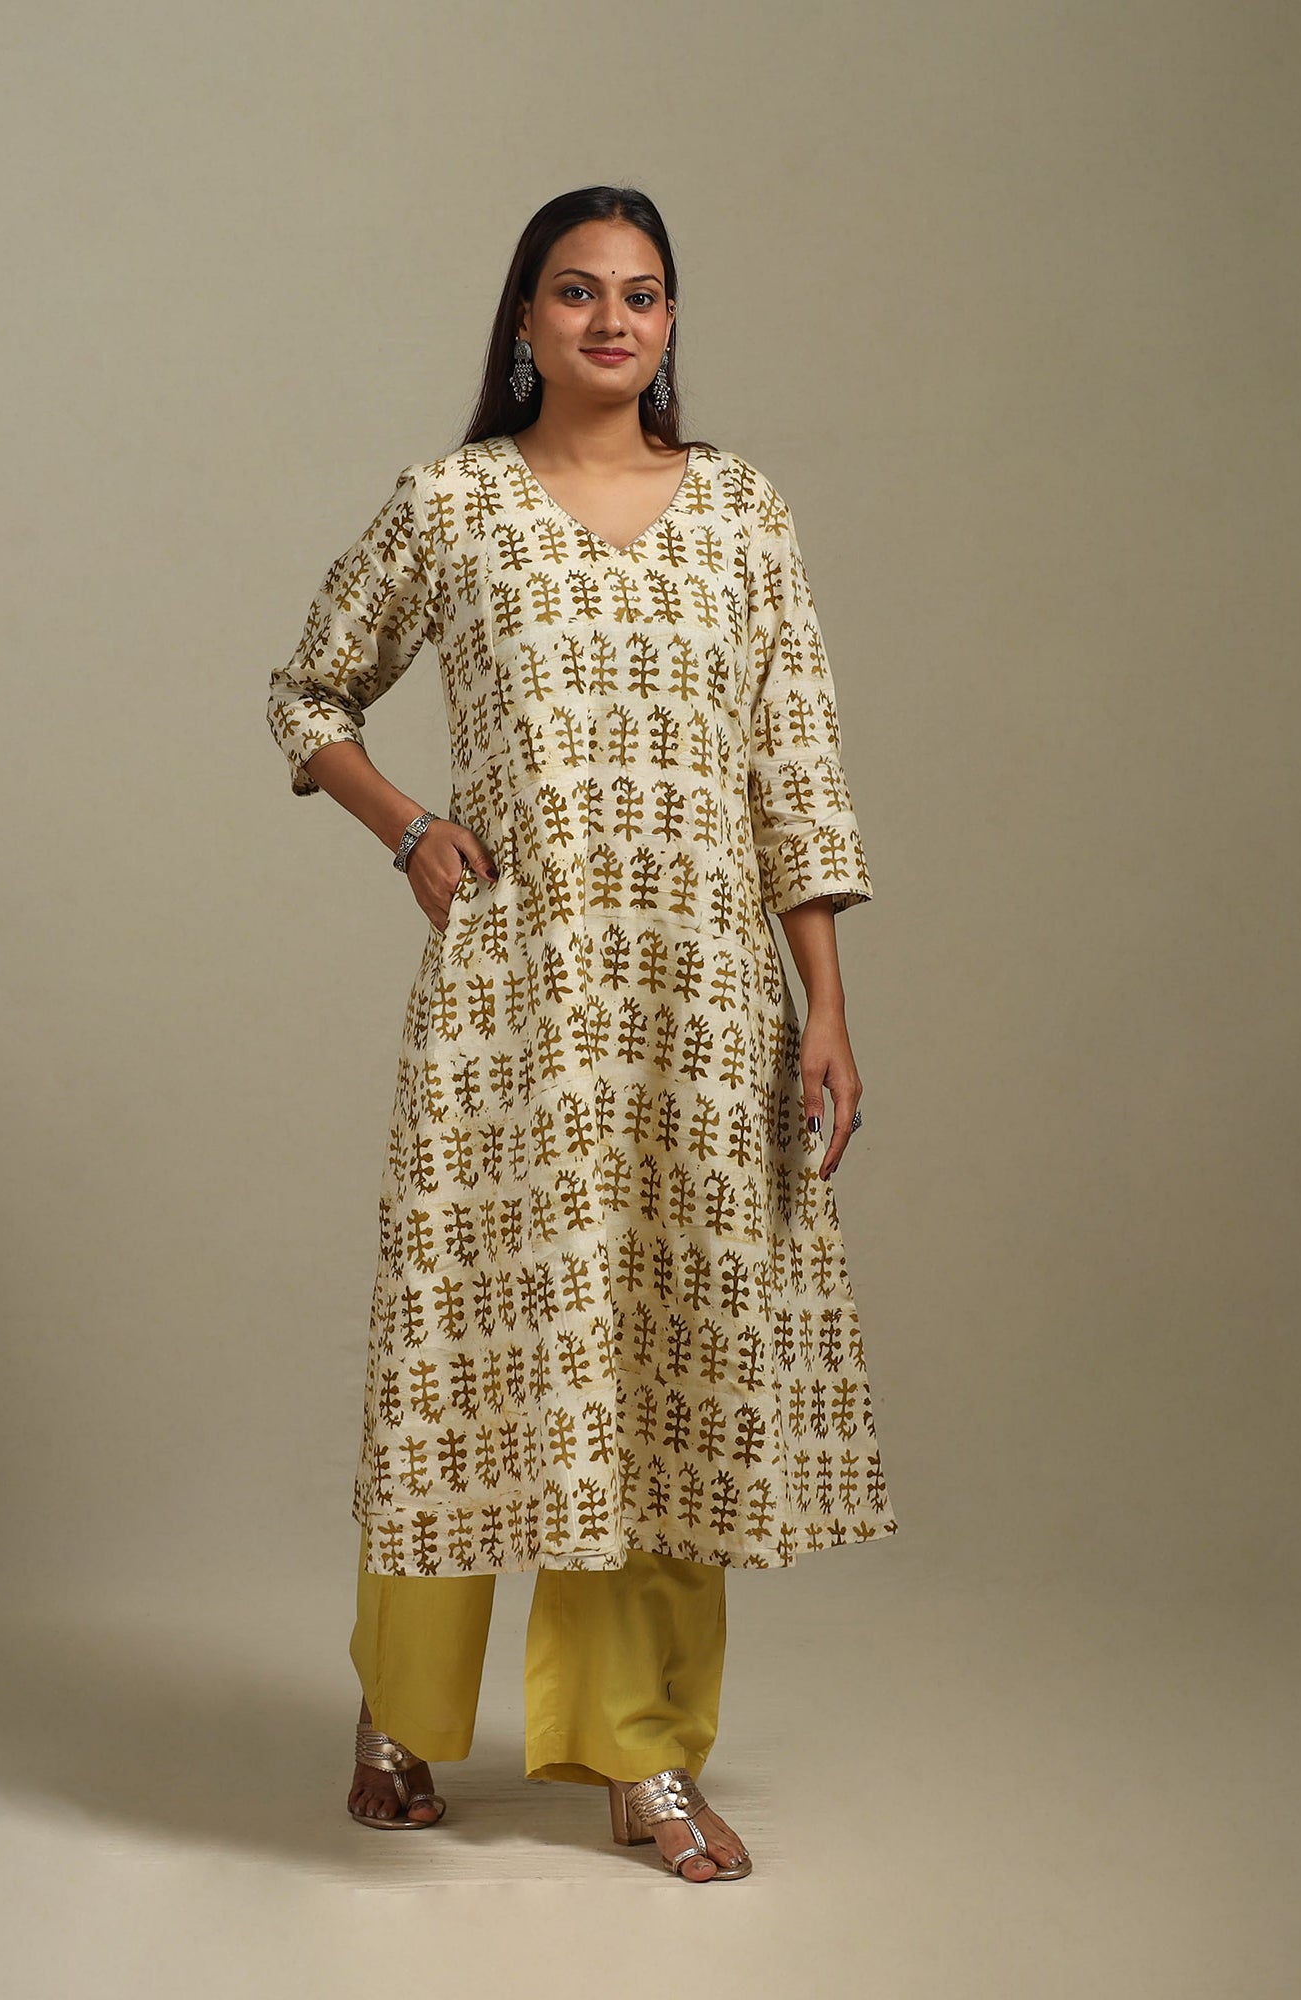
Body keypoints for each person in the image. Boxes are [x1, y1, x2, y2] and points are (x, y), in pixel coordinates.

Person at [266, 186, 896, 1882]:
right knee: (471, 1360)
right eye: (577, 291)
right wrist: (410, 828)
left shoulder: (742, 513)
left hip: (702, 1005)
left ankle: (647, 1758)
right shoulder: (453, 504)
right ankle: (400, 1715)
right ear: (526, 320)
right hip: (517, 1002)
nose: (613, 321)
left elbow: (796, 770)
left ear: (670, 323)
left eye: (644, 295)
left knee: (668, 1362)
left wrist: (826, 1004)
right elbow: (308, 693)